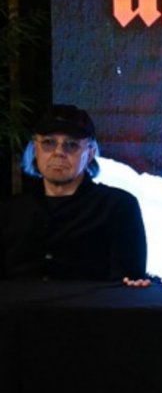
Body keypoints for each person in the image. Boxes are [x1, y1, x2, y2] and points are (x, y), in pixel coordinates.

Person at [1, 104, 147, 280]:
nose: (59, 152)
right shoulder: (10, 211)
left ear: (90, 153)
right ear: (35, 149)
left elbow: (129, 280)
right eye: (49, 143)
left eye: (71, 145)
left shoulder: (118, 207)